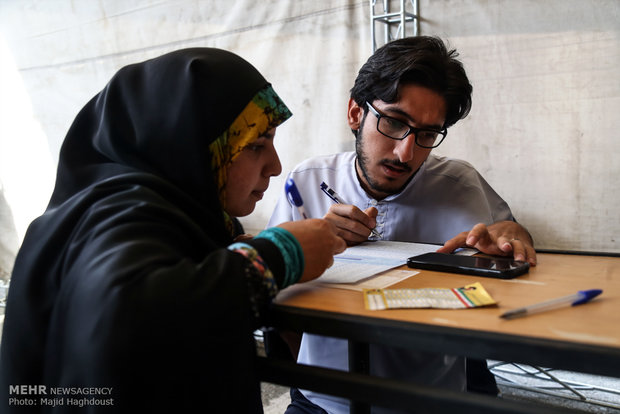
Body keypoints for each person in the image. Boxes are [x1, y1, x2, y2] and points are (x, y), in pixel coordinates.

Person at [0, 48, 346, 413]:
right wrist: (279, 255)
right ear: (191, 148)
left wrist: (228, 246)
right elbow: (128, 319)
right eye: (256, 144)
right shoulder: (124, 213)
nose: (275, 166)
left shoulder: (139, 208)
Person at [267, 36, 537, 413]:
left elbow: (513, 239)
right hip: (322, 400)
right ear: (355, 114)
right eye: (394, 122)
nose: (406, 152)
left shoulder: (462, 186)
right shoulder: (307, 181)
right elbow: (271, 296)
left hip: (433, 400)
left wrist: (512, 238)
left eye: (427, 134)